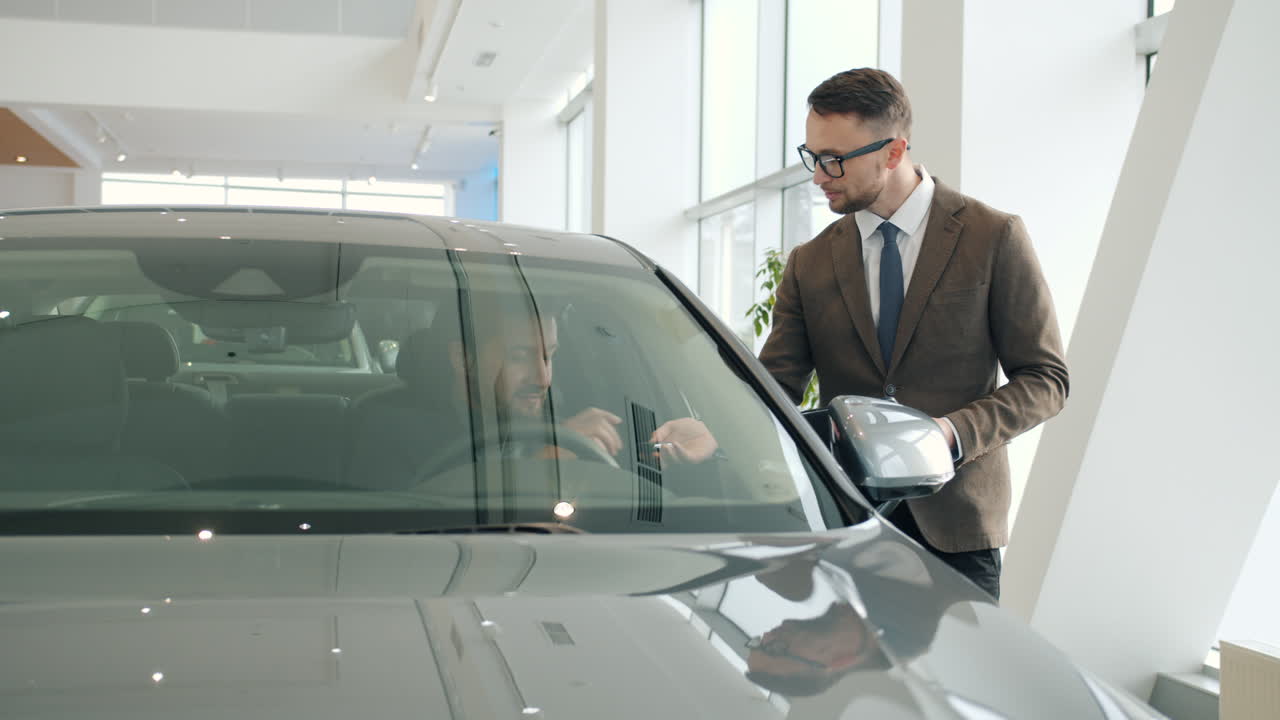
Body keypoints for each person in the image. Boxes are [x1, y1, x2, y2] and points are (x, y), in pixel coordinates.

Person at [759, 68, 1069, 600]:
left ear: (894, 152)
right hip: (850, 523)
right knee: (858, 685)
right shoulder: (809, 263)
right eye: (813, 157)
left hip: (958, 528)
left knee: (962, 682)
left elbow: (1046, 380)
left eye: (835, 159)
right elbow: (775, 385)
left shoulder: (993, 237)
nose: (819, 175)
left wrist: (949, 435)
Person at [347, 294, 715, 489]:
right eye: (521, 357)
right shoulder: (389, 431)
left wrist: (704, 453)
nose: (543, 377)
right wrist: (538, 467)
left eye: (549, 356)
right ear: (463, 358)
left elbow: (645, 496)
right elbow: (405, 542)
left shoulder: (578, 426)